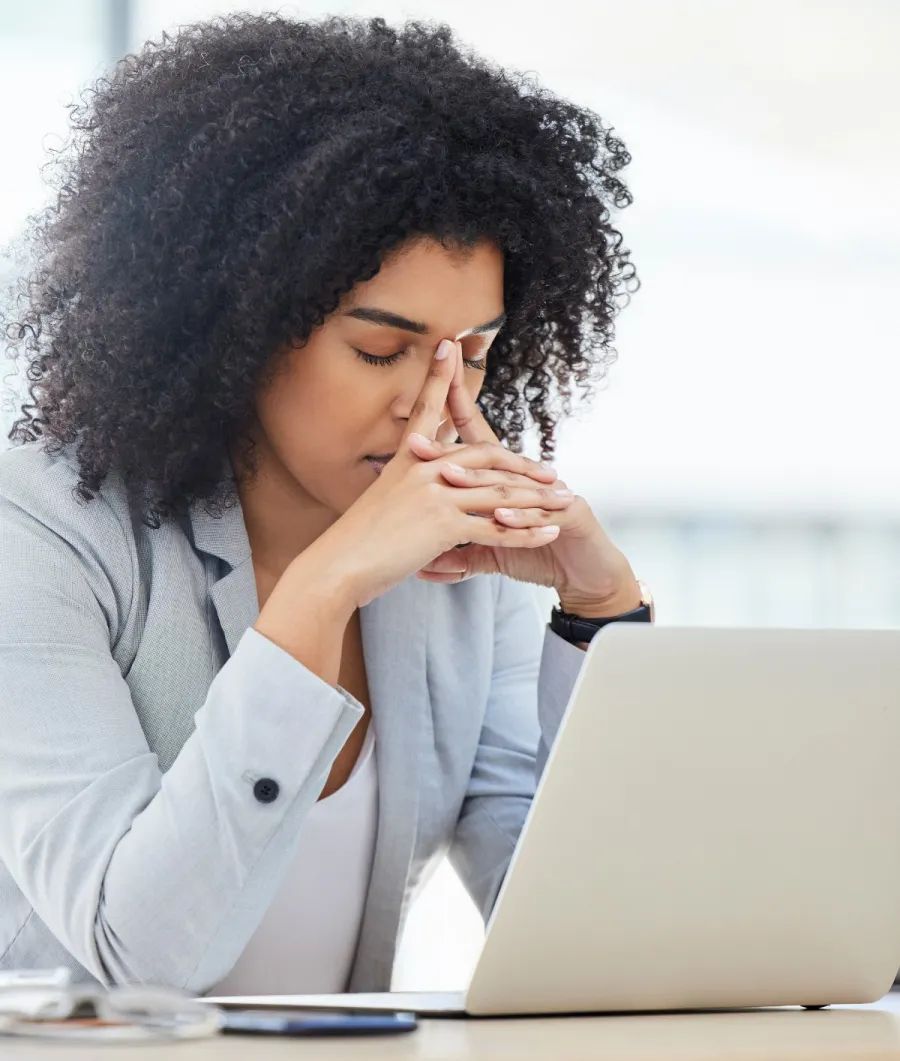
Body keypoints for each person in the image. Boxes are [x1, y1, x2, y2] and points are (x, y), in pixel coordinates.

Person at [0, 12, 649, 995]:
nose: (434, 404)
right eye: (381, 350)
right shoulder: (43, 528)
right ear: (244, 321)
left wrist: (601, 610)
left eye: (472, 354)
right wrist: (323, 589)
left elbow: (587, 935)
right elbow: (143, 953)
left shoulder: (456, 570)